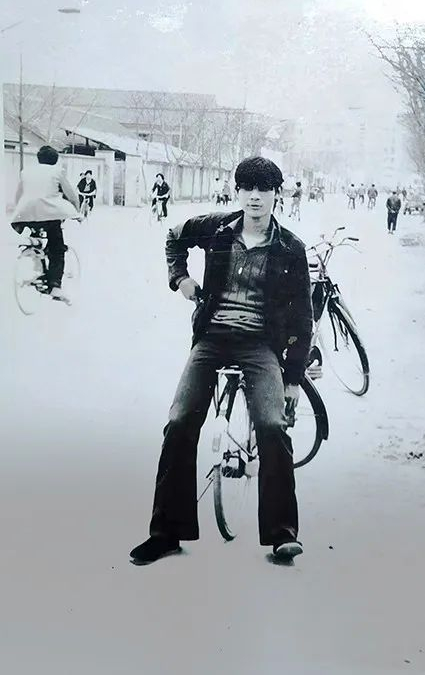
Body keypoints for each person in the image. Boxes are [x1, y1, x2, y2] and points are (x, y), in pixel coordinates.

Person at [129, 156, 312, 565]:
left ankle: (282, 534)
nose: (254, 197)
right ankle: (165, 533)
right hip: (212, 338)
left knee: (272, 425)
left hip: (259, 344)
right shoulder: (217, 227)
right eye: (247, 188)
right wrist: (180, 279)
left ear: (276, 194)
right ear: (237, 192)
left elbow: (303, 316)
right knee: (179, 420)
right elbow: (174, 237)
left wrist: (293, 379)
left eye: (263, 189)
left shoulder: (290, 248)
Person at [11, 145, 80, 301]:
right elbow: (72, 196)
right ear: (55, 160)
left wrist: (19, 213)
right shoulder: (58, 172)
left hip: (24, 215)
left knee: (37, 237)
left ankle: (37, 265)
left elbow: (18, 196)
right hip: (49, 215)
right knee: (57, 248)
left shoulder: (26, 172)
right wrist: (77, 213)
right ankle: (55, 286)